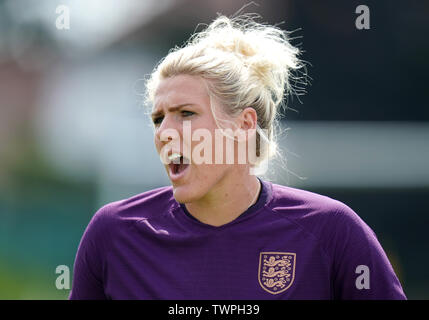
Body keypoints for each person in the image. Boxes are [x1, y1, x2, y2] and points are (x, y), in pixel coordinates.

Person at [69, 14, 406, 299]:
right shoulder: (114, 234)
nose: (164, 132)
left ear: (244, 125)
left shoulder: (331, 230)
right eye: (158, 118)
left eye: (186, 113)